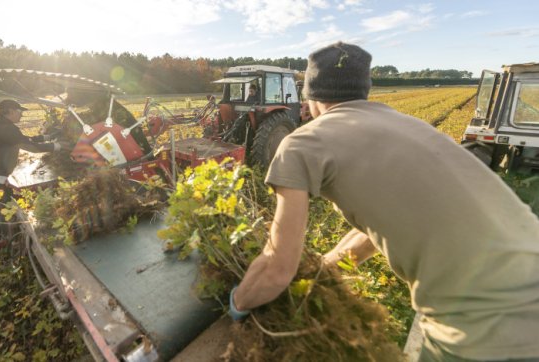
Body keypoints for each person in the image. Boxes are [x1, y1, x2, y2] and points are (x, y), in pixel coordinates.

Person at [229, 42, 539, 361]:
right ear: (365, 90)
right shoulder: (410, 126)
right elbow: (387, 222)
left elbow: (278, 268)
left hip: (486, 330)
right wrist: (327, 266)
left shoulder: (301, 144)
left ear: (309, 96)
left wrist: (239, 303)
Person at [0, 99, 65, 243]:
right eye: (19, 111)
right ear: (9, 111)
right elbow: (30, 147)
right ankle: (11, 242)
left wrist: (47, 137)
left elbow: (23, 139)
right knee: (4, 210)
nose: (21, 115)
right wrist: (57, 146)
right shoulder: (6, 128)